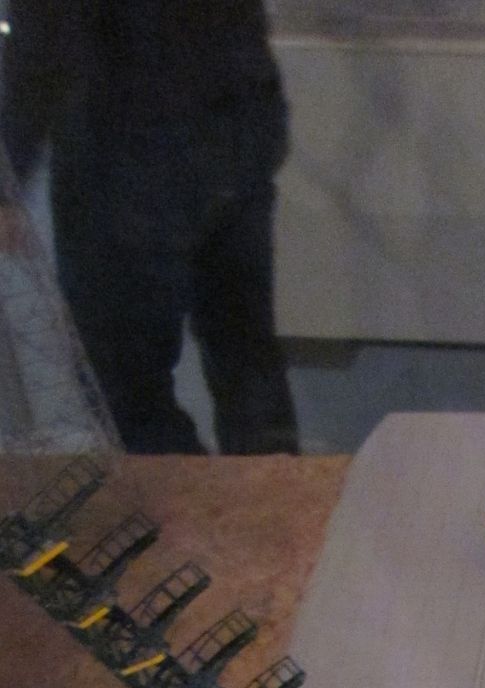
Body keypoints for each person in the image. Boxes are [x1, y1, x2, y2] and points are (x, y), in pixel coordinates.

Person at [0, 0, 300, 454]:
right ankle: (275, 493)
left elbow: (45, 41)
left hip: (125, 148)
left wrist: (7, 181)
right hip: (237, 119)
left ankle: (185, 497)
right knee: (245, 356)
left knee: (128, 388)